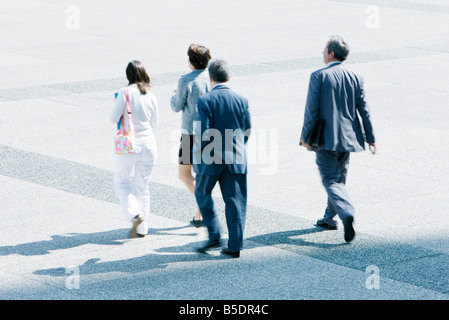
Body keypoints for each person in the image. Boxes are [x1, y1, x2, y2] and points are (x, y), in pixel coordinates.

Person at [300, 35, 376, 243]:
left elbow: (311, 110)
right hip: (349, 137)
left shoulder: (318, 76)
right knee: (339, 178)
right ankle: (329, 218)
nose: (322, 52)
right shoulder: (355, 76)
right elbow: (364, 110)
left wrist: (305, 137)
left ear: (331, 53)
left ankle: (346, 212)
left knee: (331, 180)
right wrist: (370, 137)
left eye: (324, 49)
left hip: (325, 138)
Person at [193, 59, 251, 258]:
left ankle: (214, 232)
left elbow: (203, 132)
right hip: (235, 157)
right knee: (235, 202)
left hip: (211, 158)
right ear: (229, 76)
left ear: (210, 78)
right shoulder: (241, 100)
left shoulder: (205, 100)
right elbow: (246, 130)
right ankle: (235, 246)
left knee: (202, 192)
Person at [110, 60, 158, 238]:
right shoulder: (151, 95)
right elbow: (155, 123)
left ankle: (133, 214)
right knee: (143, 187)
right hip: (150, 145)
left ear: (128, 75)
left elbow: (113, 118)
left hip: (129, 146)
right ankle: (142, 228)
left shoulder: (125, 92)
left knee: (121, 182)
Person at [171, 44, 212, 227]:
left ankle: (205, 206)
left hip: (190, 134)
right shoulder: (212, 79)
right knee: (201, 174)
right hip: (210, 133)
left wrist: (174, 94)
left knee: (184, 174)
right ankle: (200, 213)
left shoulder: (185, 80)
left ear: (190, 61)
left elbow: (176, 106)